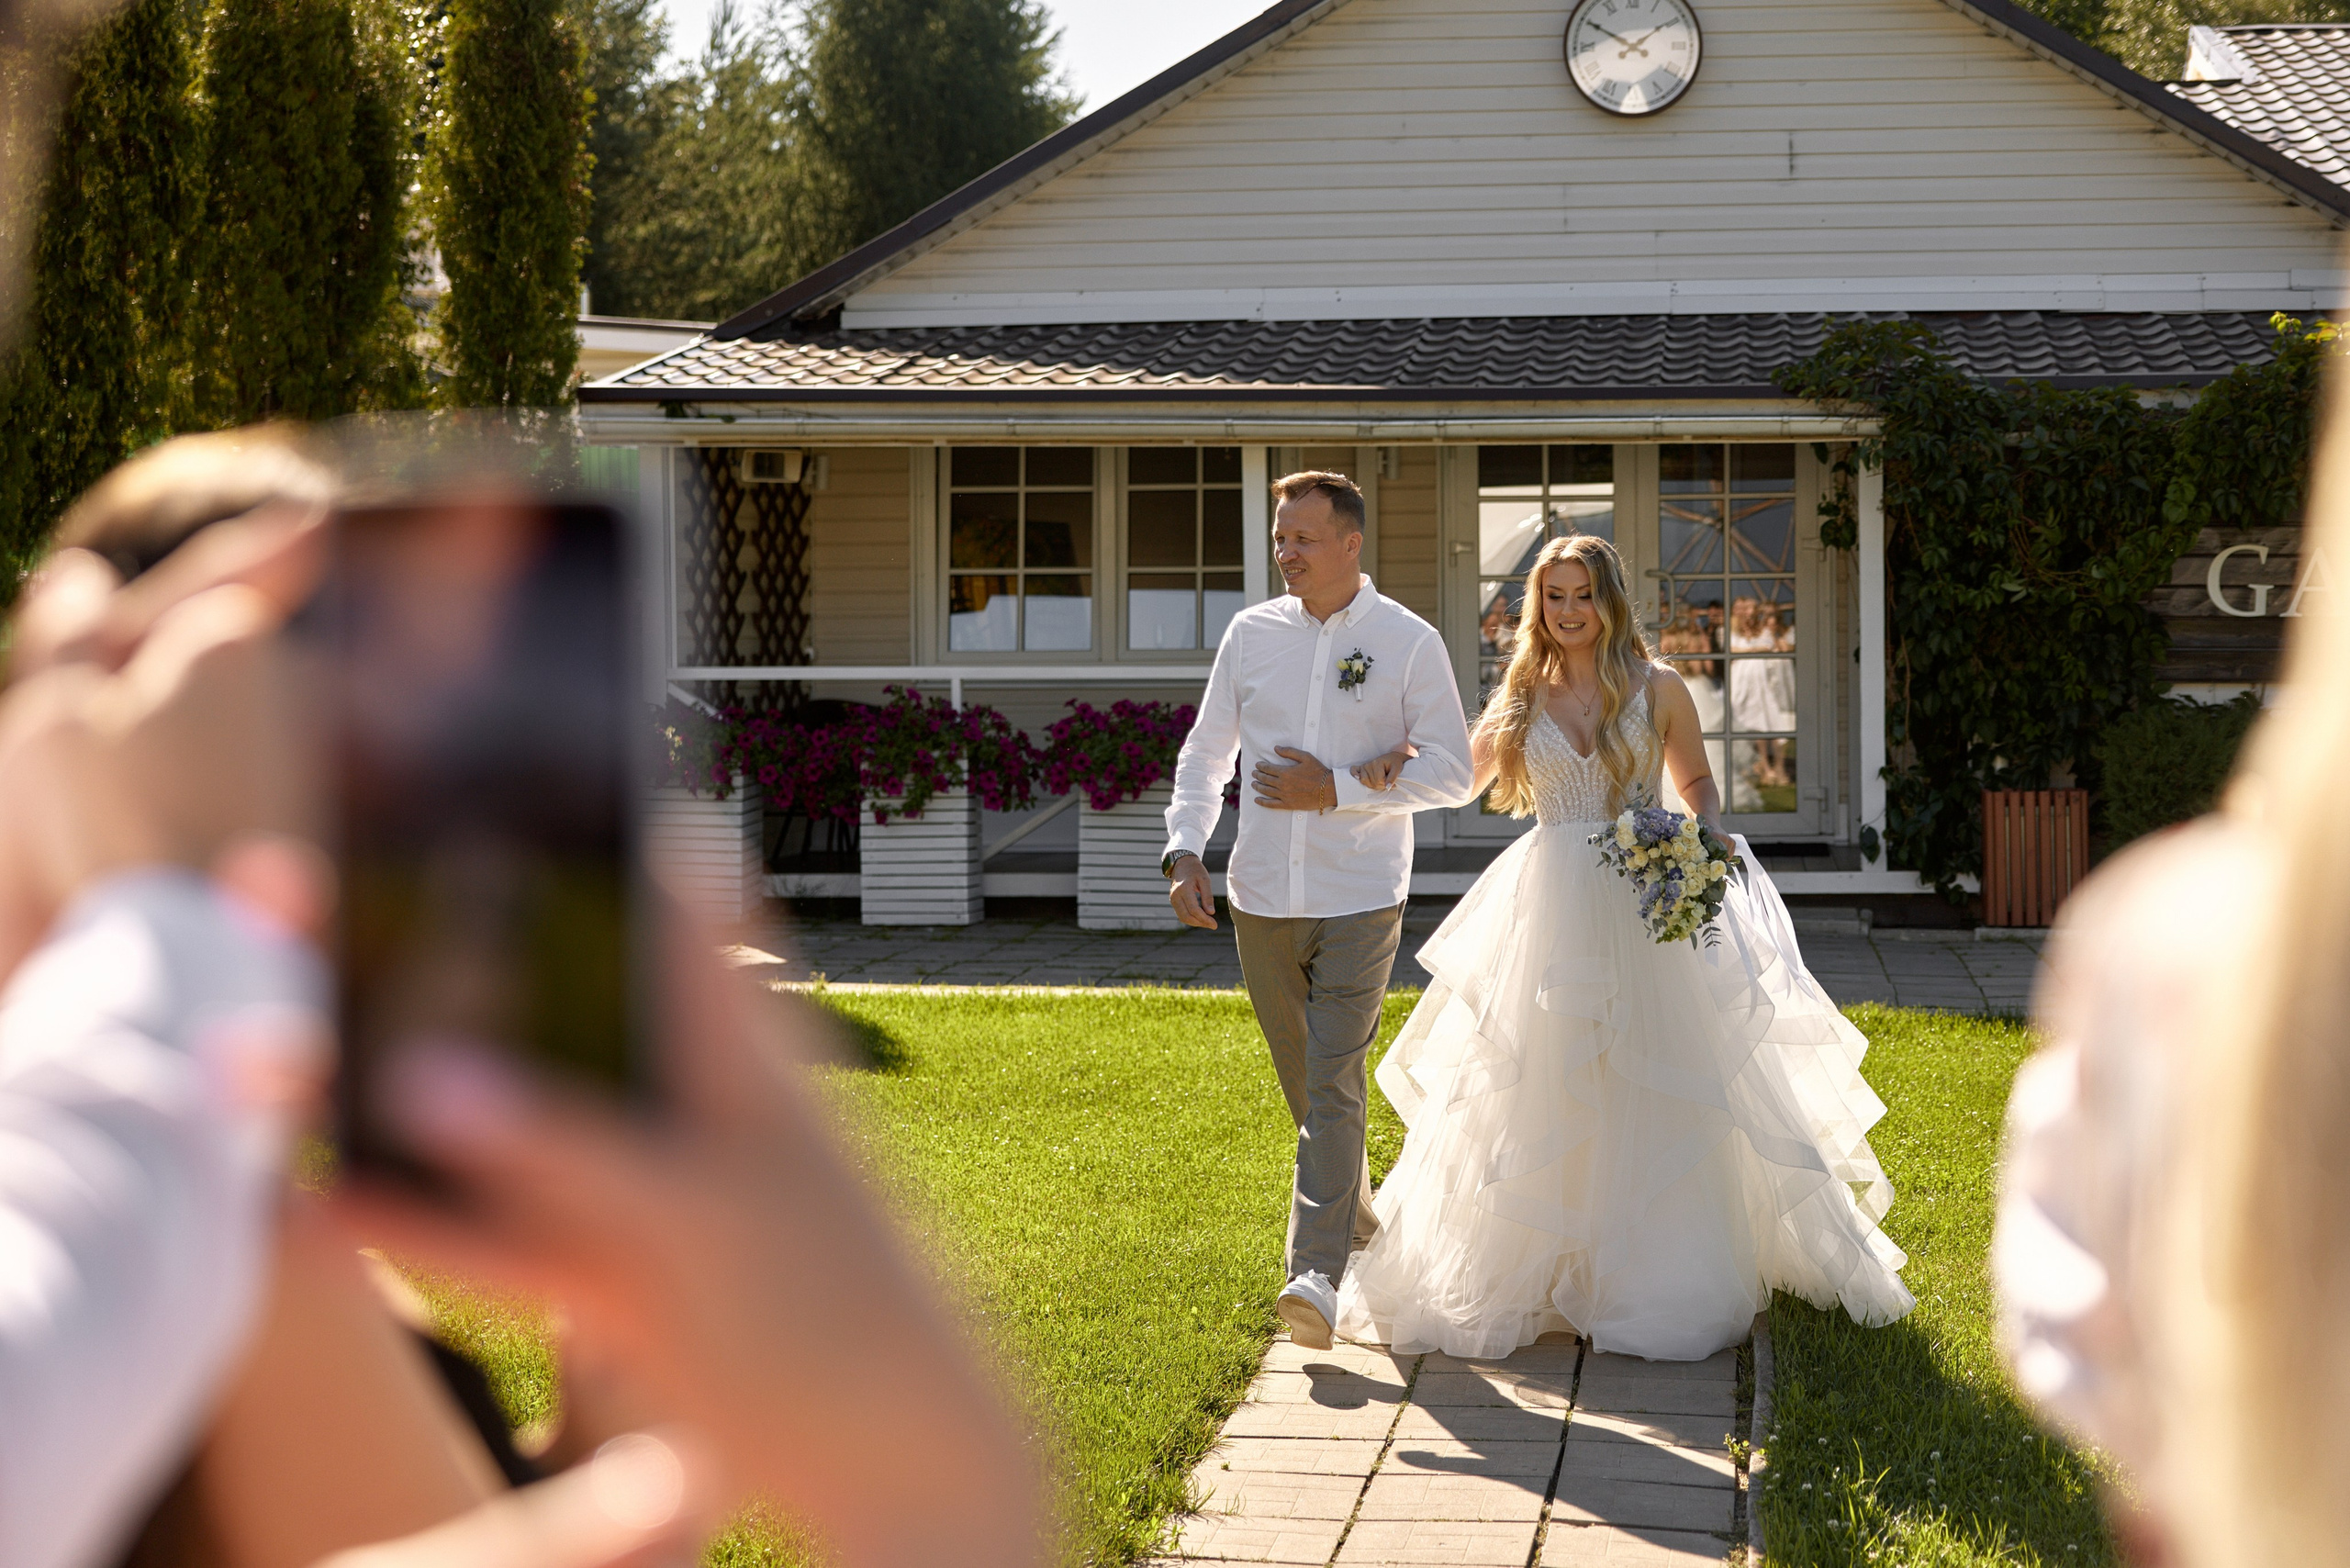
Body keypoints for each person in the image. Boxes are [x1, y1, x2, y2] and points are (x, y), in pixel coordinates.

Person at [1334, 534, 1912, 1361]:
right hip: (1548, 906)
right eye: (1553, 598)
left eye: (1582, 596)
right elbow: (1458, 778)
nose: (1568, 613)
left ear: (1610, 600)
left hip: (1645, 894)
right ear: (1538, 607)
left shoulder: (1659, 686)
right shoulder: (1523, 693)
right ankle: (1544, 1268)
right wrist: (1391, 761)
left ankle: (1649, 1271)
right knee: (1546, 1081)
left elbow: (1698, 783)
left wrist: (1709, 839)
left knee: (1651, 1077)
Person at [1160, 470, 1479, 1351]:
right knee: (1308, 1089)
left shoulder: (1407, 642)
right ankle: (1361, 1223)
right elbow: (1206, 752)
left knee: (1334, 1081)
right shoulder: (1249, 633)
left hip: (1361, 896)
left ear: (1351, 544)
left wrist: (1333, 789)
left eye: (1302, 537)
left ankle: (1315, 1276)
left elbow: (1456, 770)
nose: (1284, 552)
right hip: (1259, 895)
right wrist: (1185, 847)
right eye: (1279, 536)